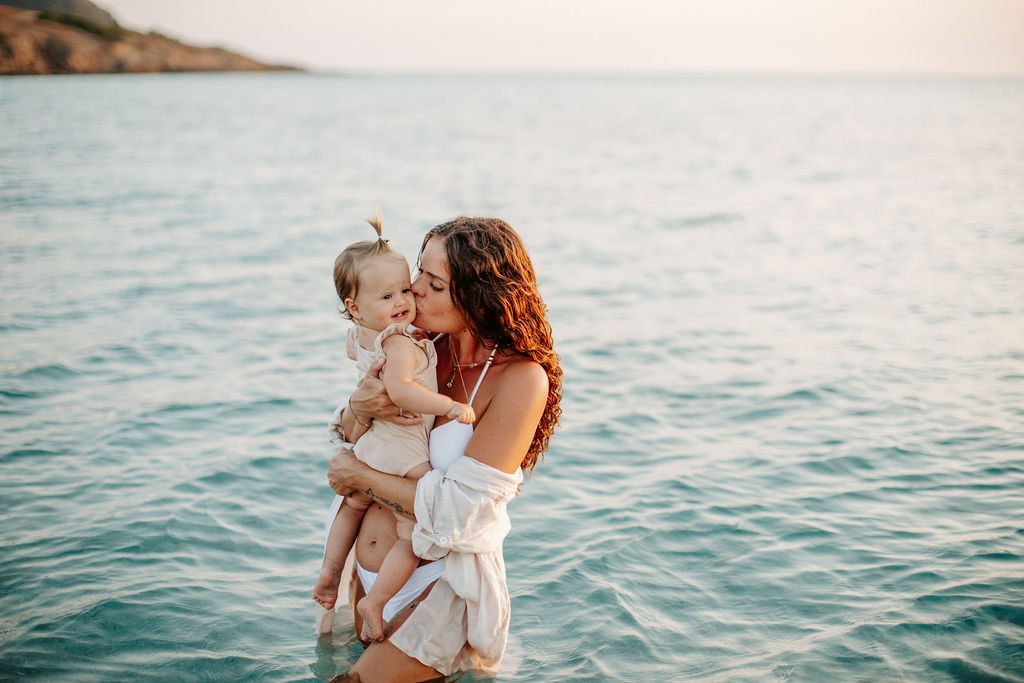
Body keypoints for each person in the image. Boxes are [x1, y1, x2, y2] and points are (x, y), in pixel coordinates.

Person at [324, 216, 562, 682]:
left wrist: (360, 480)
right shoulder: (419, 345)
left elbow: (458, 512)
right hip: (368, 578)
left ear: (479, 296)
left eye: (433, 284)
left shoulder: (519, 379)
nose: (412, 290)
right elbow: (350, 440)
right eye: (418, 273)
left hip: (441, 587)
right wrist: (358, 405)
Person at [313, 215, 475, 642]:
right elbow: (390, 398)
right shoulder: (404, 341)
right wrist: (449, 406)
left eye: (412, 286)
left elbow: (350, 442)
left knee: (353, 502)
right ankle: (375, 600)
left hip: (372, 456)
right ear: (355, 305)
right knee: (415, 525)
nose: (410, 295)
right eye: (392, 293)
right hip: (397, 452)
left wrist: (361, 472)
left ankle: (330, 570)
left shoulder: (365, 337)